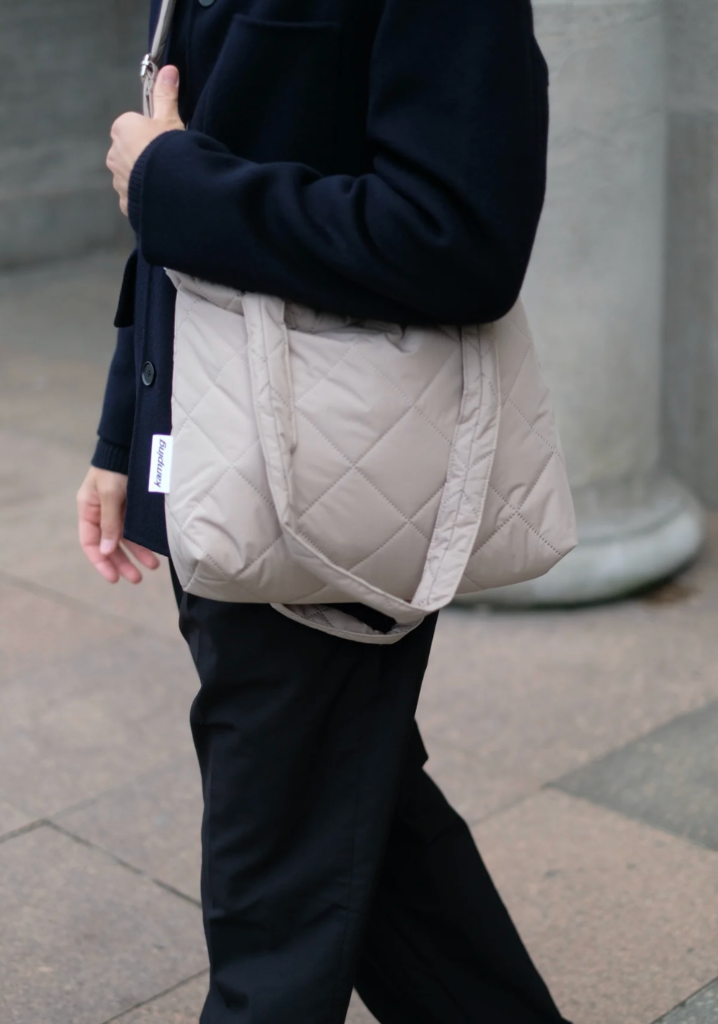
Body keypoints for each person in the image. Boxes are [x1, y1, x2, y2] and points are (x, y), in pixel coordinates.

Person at [77, 0, 574, 1021]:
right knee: (362, 824)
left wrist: (174, 185)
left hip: (330, 495)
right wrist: (125, 429)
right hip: (223, 459)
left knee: (275, 908)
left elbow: (461, 236)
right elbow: (188, 156)